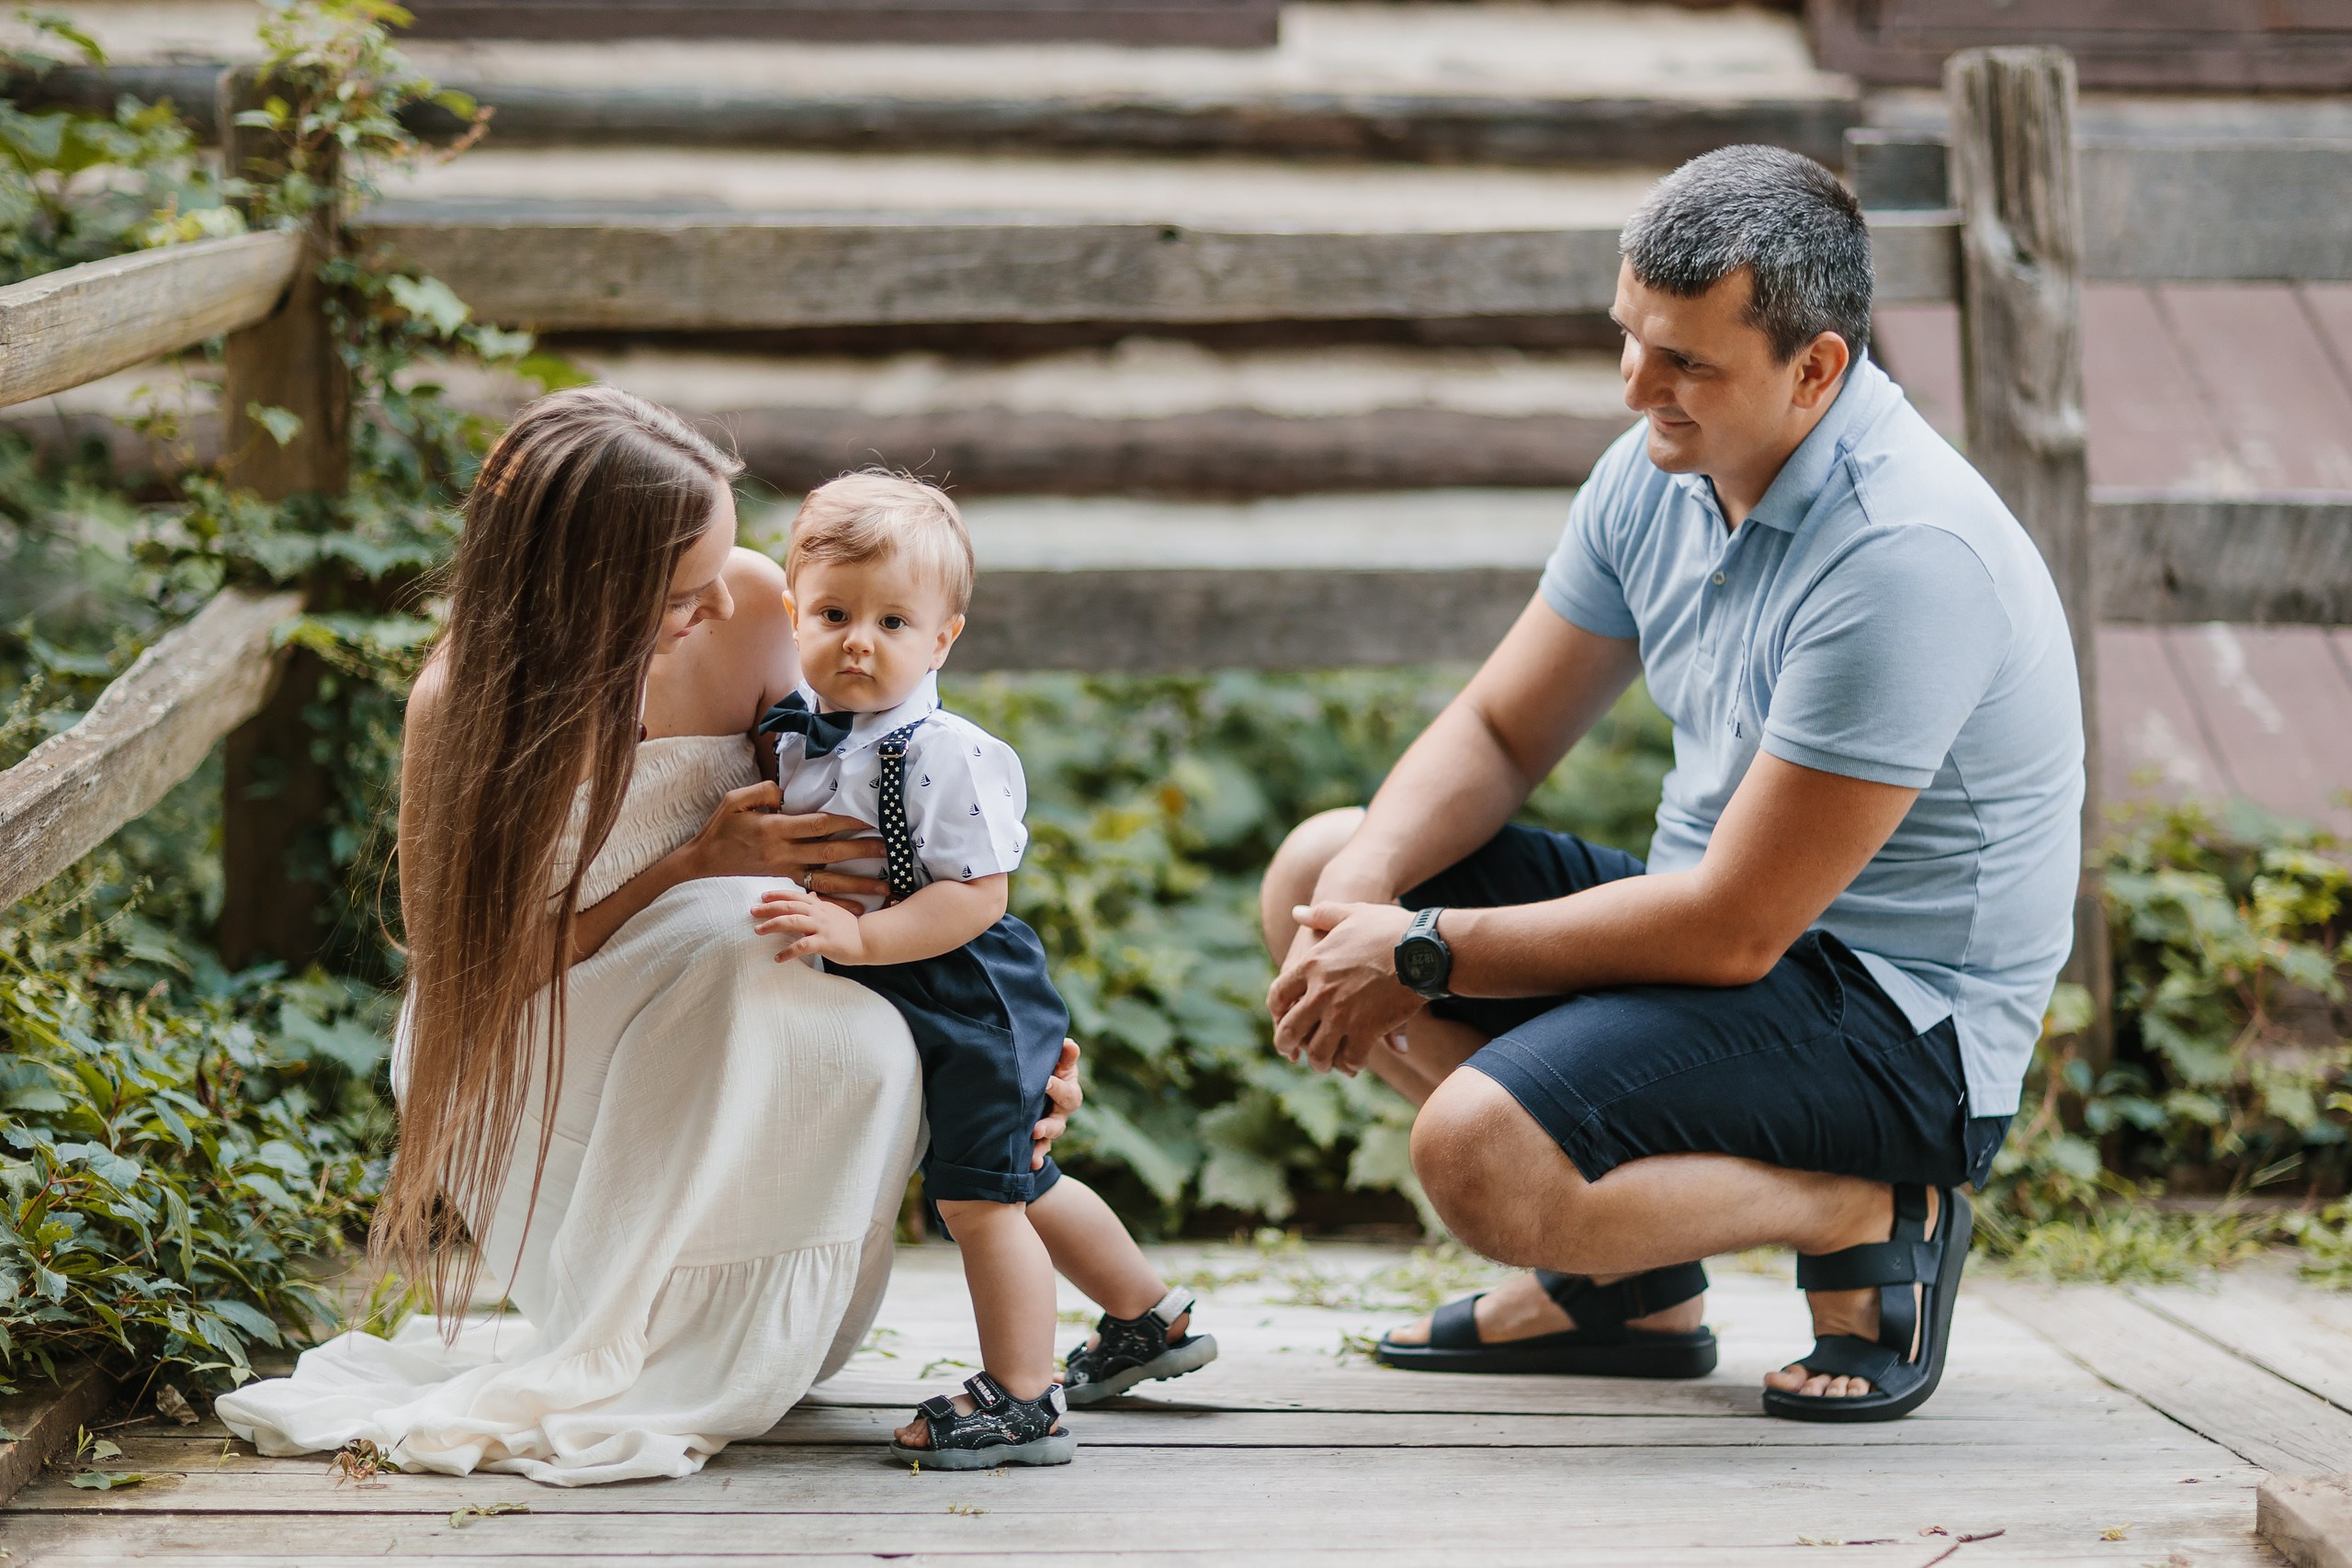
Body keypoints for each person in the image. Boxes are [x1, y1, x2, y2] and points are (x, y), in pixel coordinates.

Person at [1259, 146, 2083, 1422]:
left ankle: (1875, 1208)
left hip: (1899, 1019)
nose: (1636, 385)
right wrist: (1366, 898)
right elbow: (1497, 728)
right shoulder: (1666, 466)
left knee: (1478, 1154)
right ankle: (1632, 1292)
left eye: (1685, 359)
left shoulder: (1905, 552)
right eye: (1630, 336)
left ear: (1814, 369)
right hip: (1726, 935)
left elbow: (1736, 925)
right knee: (1321, 866)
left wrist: (1419, 949)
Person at [214, 388, 1083, 1483]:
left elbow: (910, 825)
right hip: (548, 1010)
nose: (723, 603)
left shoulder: (765, 605)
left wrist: (1006, 1044)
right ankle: (660, 1338)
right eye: (683, 590)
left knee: (845, 1030)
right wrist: (689, 864)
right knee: (752, 966)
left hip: (761, 956)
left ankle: (764, 1341)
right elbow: (468, 975)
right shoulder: (467, 703)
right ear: (585, 594)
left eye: (726, 564)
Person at [750, 473, 1216, 1469]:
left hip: (968, 986)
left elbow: (977, 898)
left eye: (892, 620)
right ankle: (1148, 1319)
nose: (859, 641)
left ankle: (1022, 1396)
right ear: (793, 613)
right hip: (901, 978)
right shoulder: (798, 723)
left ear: (943, 639)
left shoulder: (945, 754)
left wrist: (860, 939)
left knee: (977, 1196)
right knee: (1024, 1175)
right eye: (832, 614)